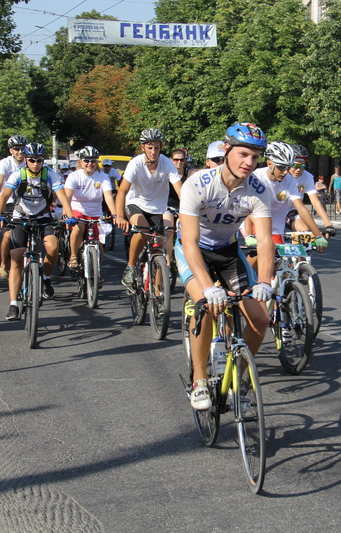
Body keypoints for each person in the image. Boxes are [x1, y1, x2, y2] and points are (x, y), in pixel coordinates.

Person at [176, 122, 275, 411]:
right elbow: (191, 242)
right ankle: (199, 379)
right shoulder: (197, 184)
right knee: (205, 305)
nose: (249, 162)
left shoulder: (258, 189)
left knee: (260, 319)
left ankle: (240, 379)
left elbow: (265, 240)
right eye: (243, 154)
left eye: (255, 157)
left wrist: (265, 281)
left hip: (229, 251)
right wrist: (207, 287)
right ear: (227, 150)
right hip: (194, 251)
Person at [0, 143, 75, 320]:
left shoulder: (50, 175)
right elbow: (5, 195)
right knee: (16, 258)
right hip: (21, 218)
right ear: (26, 160)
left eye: (39, 160)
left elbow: (61, 195)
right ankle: (14, 305)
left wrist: (69, 215)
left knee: (53, 248)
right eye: (31, 160)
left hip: (43, 216)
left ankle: (45, 278)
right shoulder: (18, 175)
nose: (35, 164)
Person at [114, 128, 182, 286]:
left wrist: (188, 212)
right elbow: (122, 191)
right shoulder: (135, 164)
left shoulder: (166, 163)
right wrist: (119, 216)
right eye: (150, 148)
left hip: (157, 209)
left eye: (156, 148)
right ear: (143, 147)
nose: (153, 151)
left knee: (160, 246)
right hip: (135, 204)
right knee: (142, 228)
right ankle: (130, 267)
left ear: (161, 147)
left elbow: (180, 190)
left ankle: (157, 292)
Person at [245, 142, 328, 266]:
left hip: (275, 223)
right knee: (260, 253)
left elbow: (301, 208)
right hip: (255, 219)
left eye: (287, 167)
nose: (285, 172)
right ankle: (245, 281)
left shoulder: (289, 180)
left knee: (278, 266)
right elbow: (248, 209)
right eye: (282, 167)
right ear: (269, 164)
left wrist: (318, 235)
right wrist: (248, 235)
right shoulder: (256, 178)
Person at [64, 147, 117, 272]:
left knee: (99, 248)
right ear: (81, 162)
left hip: (95, 214)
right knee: (79, 227)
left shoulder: (103, 177)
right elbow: (68, 197)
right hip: (77, 210)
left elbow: (108, 197)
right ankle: (73, 256)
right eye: (86, 161)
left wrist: (115, 214)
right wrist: (67, 214)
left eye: (93, 161)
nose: (90, 164)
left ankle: (95, 275)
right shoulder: (74, 176)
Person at [0, 135, 28, 280]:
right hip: (7, 203)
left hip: (26, 203)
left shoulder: (30, 162)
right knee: (7, 235)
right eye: (16, 149)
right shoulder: (5, 163)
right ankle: (3, 265)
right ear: (11, 151)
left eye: (22, 148)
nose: (20, 152)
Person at [286, 145, 335, 238]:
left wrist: (328, 224)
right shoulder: (281, 176)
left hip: (292, 211)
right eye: (295, 165)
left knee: (305, 230)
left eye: (302, 166)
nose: (298, 170)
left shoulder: (307, 176)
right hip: (274, 210)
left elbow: (315, 201)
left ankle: (297, 252)